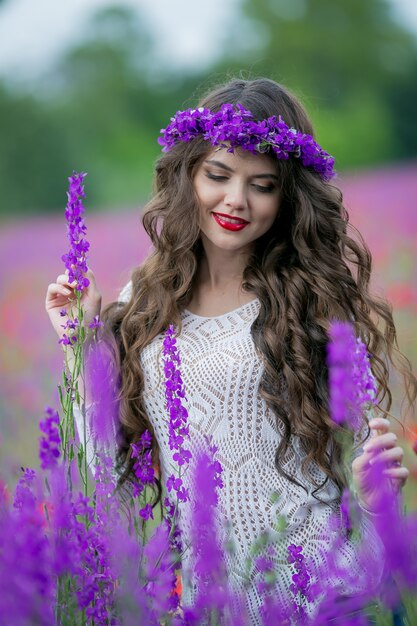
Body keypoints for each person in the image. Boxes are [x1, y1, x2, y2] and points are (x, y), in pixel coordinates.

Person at [45, 77, 416, 624]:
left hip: (311, 595)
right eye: (218, 175)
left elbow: (355, 463)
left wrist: (373, 493)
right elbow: (102, 469)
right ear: (188, 174)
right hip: (209, 602)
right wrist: (80, 346)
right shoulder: (143, 303)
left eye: (262, 184)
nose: (236, 200)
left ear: (287, 195)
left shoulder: (307, 303)